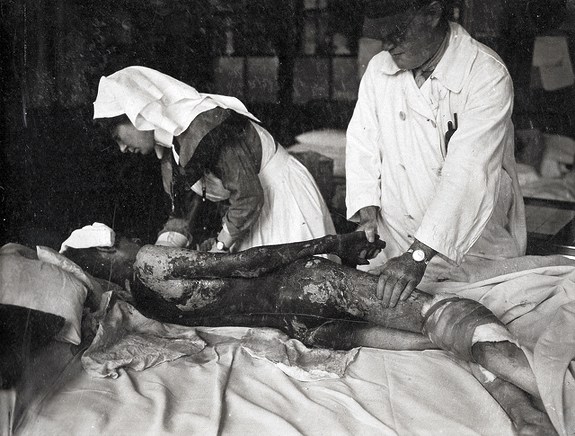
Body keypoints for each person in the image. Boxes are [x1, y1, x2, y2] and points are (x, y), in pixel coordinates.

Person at [64, 232, 554, 434]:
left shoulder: (136, 303)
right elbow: (248, 262)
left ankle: (522, 411)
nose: (131, 241)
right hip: (309, 290)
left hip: (304, 329)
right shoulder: (148, 262)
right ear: (107, 253)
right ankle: (537, 396)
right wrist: (335, 242)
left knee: (434, 341)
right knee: (440, 315)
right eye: (119, 241)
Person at [345, 0, 527, 309]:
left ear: (432, 13)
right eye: (382, 35)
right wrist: (367, 215)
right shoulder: (379, 69)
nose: (387, 45)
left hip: (470, 253)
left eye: (397, 32)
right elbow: (362, 144)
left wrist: (418, 255)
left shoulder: (485, 73)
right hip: (396, 248)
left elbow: (468, 173)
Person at [93, 66, 335, 252]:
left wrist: (220, 247)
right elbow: (182, 211)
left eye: (118, 137)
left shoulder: (204, 126)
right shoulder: (168, 150)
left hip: (282, 202)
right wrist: (163, 250)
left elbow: (249, 196)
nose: (122, 148)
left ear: (136, 113)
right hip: (247, 216)